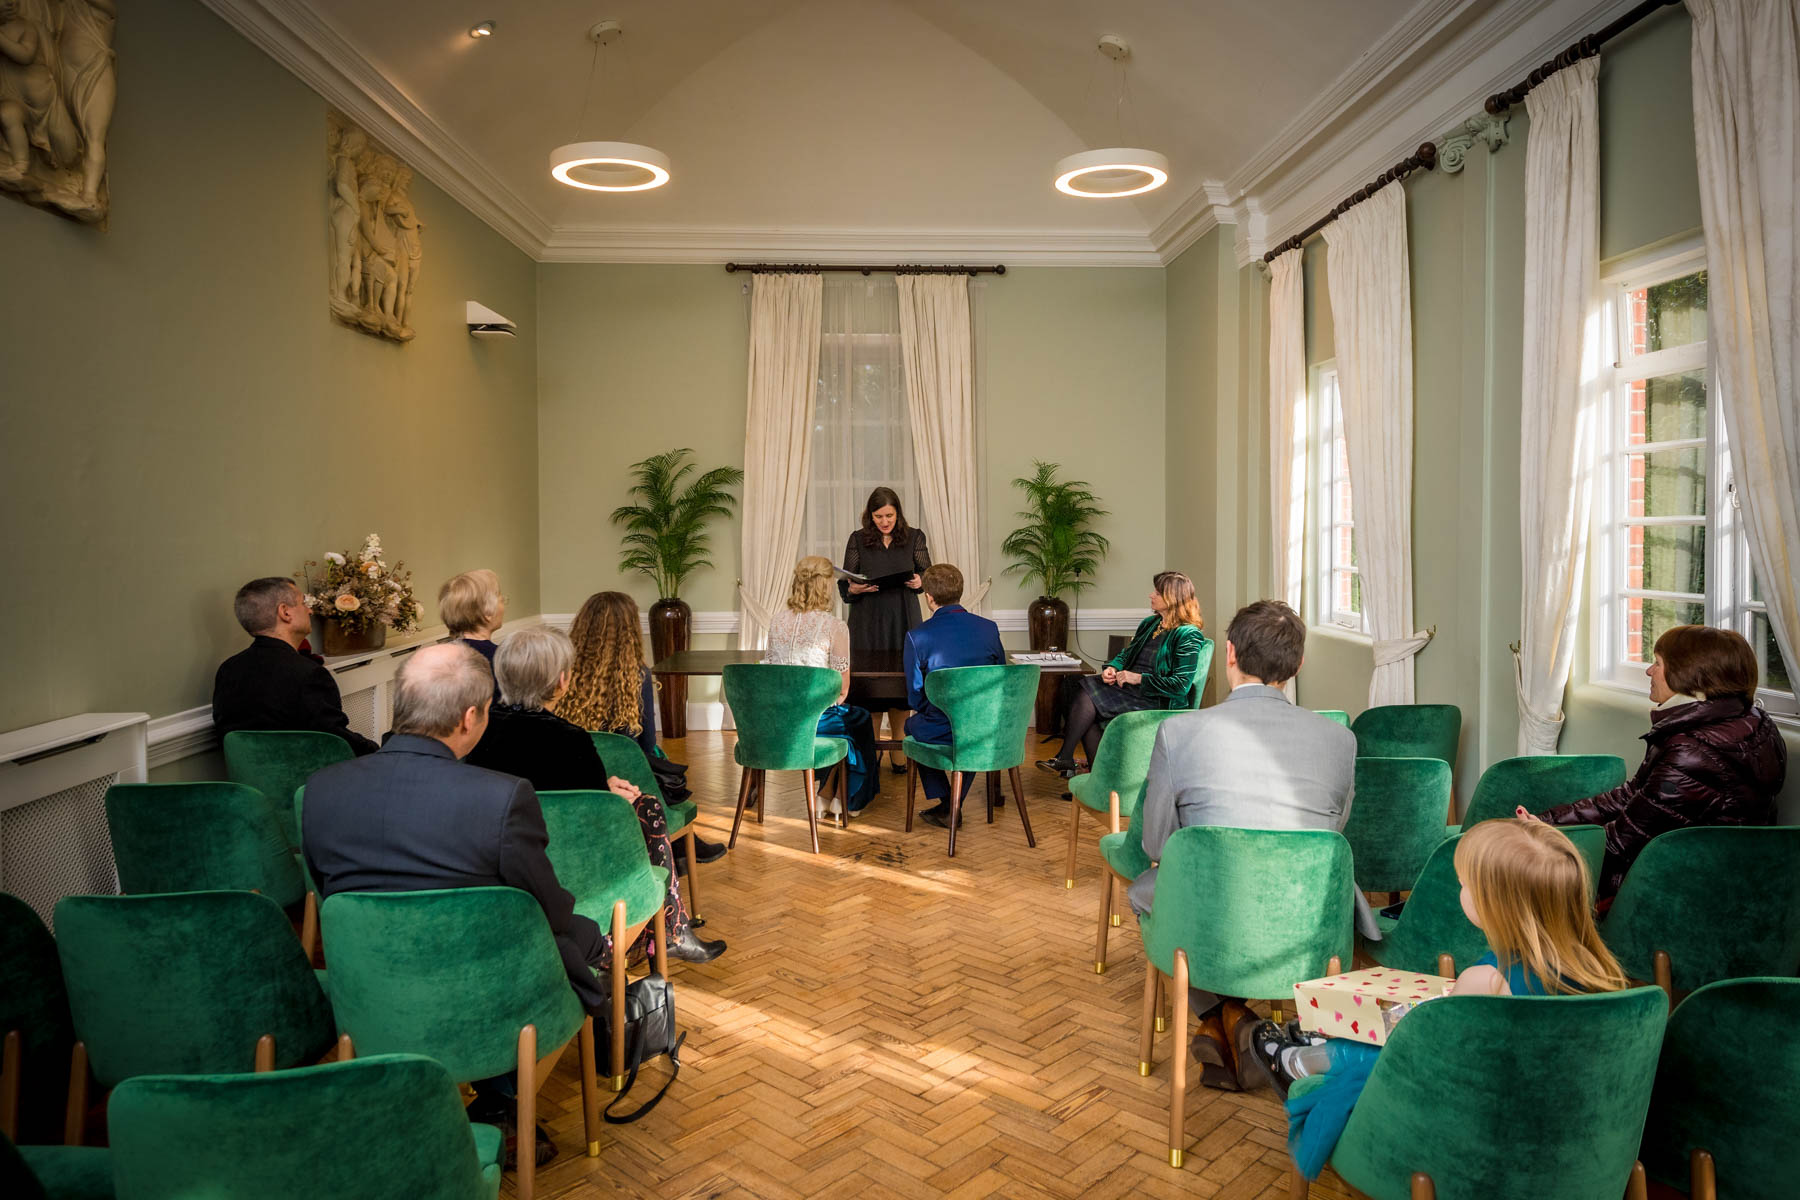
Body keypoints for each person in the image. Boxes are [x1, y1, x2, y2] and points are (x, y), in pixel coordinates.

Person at [299, 642, 592, 1166]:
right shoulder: (500, 798)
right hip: (483, 1000)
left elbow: (328, 893)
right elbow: (549, 912)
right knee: (573, 938)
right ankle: (502, 1101)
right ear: (471, 716)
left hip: (370, 992)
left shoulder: (320, 789)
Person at [1243, 819, 1629, 1179]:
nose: (1460, 889)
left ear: (1492, 904)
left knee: (1376, 1050)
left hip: (1471, 1122)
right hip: (1562, 1125)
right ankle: (1312, 1050)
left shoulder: (1484, 981)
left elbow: (1434, 1061)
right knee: (1394, 1028)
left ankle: (1297, 1061)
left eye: (1466, 884)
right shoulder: (1600, 971)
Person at [1129, 599, 1366, 1086]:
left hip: (1209, 915)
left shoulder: (1178, 732)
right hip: (1309, 918)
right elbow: (1333, 833)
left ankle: (1222, 1015)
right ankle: (1236, 1025)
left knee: (1144, 891)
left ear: (1230, 653)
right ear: (1298, 665)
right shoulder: (1340, 739)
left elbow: (1156, 842)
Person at [464, 626, 724, 963]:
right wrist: (613, 796)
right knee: (647, 806)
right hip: (574, 859)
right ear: (561, 681)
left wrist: (605, 786)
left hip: (502, 857)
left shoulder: (480, 732)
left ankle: (670, 930)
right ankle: (670, 930)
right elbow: (587, 814)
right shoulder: (570, 740)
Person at [1529, 624, 1786, 904]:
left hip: (1677, 890)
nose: (1649, 671)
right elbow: (1630, 796)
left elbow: (1619, 845)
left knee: (1522, 875)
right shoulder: (1755, 721)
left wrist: (1540, 845)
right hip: (1723, 877)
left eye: (1658, 663)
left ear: (1688, 674)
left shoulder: (1691, 751)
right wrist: (1544, 822)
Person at [559, 591, 726, 865]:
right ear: (631, 632)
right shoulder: (637, 675)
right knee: (660, 759)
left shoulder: (564, 672)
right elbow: (645, 745)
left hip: (583, 776)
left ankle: (682, 843)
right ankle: (682, 840)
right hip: (631, 780)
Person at [1039, 571, 1209, 779]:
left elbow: (1180, 685)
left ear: (1172, 597)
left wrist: (1137, 678)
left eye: (1157, 592)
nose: (1151, 595)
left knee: (1084, 698)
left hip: (1155, 700)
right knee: (1075, 688)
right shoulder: (1150, 624)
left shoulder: (1187, 635)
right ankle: (1095, 776)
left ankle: (1074, 762)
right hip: (1129, 690)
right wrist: (1112, 668)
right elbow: (1126, 654)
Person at [763, 557, 880, 815]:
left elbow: (772, 672)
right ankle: (846, 799)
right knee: (857, 720)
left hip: (780, 720)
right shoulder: (835, 627)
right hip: (814, 720)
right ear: (825, 586)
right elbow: (842, 690)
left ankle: (826, 794)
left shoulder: (777, 622)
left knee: (848, 721)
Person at [213, 576, 377, 755]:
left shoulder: (228, 669)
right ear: (285, 612)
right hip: (309, 779)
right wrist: (378, 750)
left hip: (248, 781)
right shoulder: (309, 674)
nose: (310, 611)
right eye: (303, 603)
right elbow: (336, 742)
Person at [903, 563, 1004, 828]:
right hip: (983, 727)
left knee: (910, 726)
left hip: (941, 725)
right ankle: (952, 804)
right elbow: (1000, 680)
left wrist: (934, 711)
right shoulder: (989, 628)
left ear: (929, 597)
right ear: (960, 592)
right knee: (971, 739)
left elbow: (914, 697)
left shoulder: (917, 636)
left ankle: (948, 801)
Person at [840, 486, 932, 774]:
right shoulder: (858, 539)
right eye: (879, 516)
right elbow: (846, 584)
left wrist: (920, 582)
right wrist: (854, 587)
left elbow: (927, 575)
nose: (884, 521)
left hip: (903, 616)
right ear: (870, 515)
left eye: (889, 515)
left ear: (898, 513)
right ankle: (870, 752)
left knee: (902, 681)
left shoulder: (914, 537)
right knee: (868, 684)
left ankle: (899, 753)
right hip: (867, 619)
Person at [438, 568, 505, 700]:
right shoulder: (500, 659)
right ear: (487, 614)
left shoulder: (440, 657)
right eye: (502, 600)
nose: (504, 606)